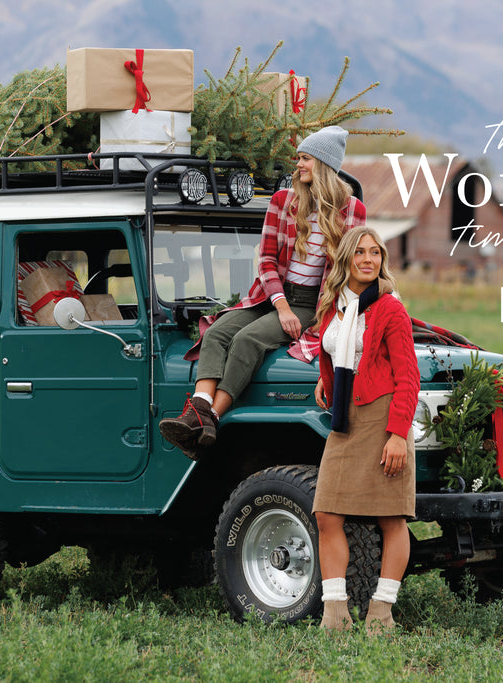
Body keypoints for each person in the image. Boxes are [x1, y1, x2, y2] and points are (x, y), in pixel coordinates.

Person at [159, 125, 367, 459]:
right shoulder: (283, 201)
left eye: (305, 158)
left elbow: (344, 273)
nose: (298, 164)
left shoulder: (352, 210)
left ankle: (212, 418)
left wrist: (322, 315)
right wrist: (281, 306)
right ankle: (199, 412)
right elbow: (267, 260)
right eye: (299, 158)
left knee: (247, 340)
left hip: (313, 303)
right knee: (217, 332)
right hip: (272, 295)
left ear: (324, 164)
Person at [311, 225, 420, 633]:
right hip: (346, 419)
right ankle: (335, 611)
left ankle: (381, 611)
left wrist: (398, 434)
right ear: (346, 259)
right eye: (360, 252)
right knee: (326, 513)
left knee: (391, 517)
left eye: (375, 253)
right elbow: (331, 349)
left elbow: (408, 377)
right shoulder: (333, 304)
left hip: (383, 416)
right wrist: (326, 380)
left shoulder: (390, 308)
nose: (368, 260)